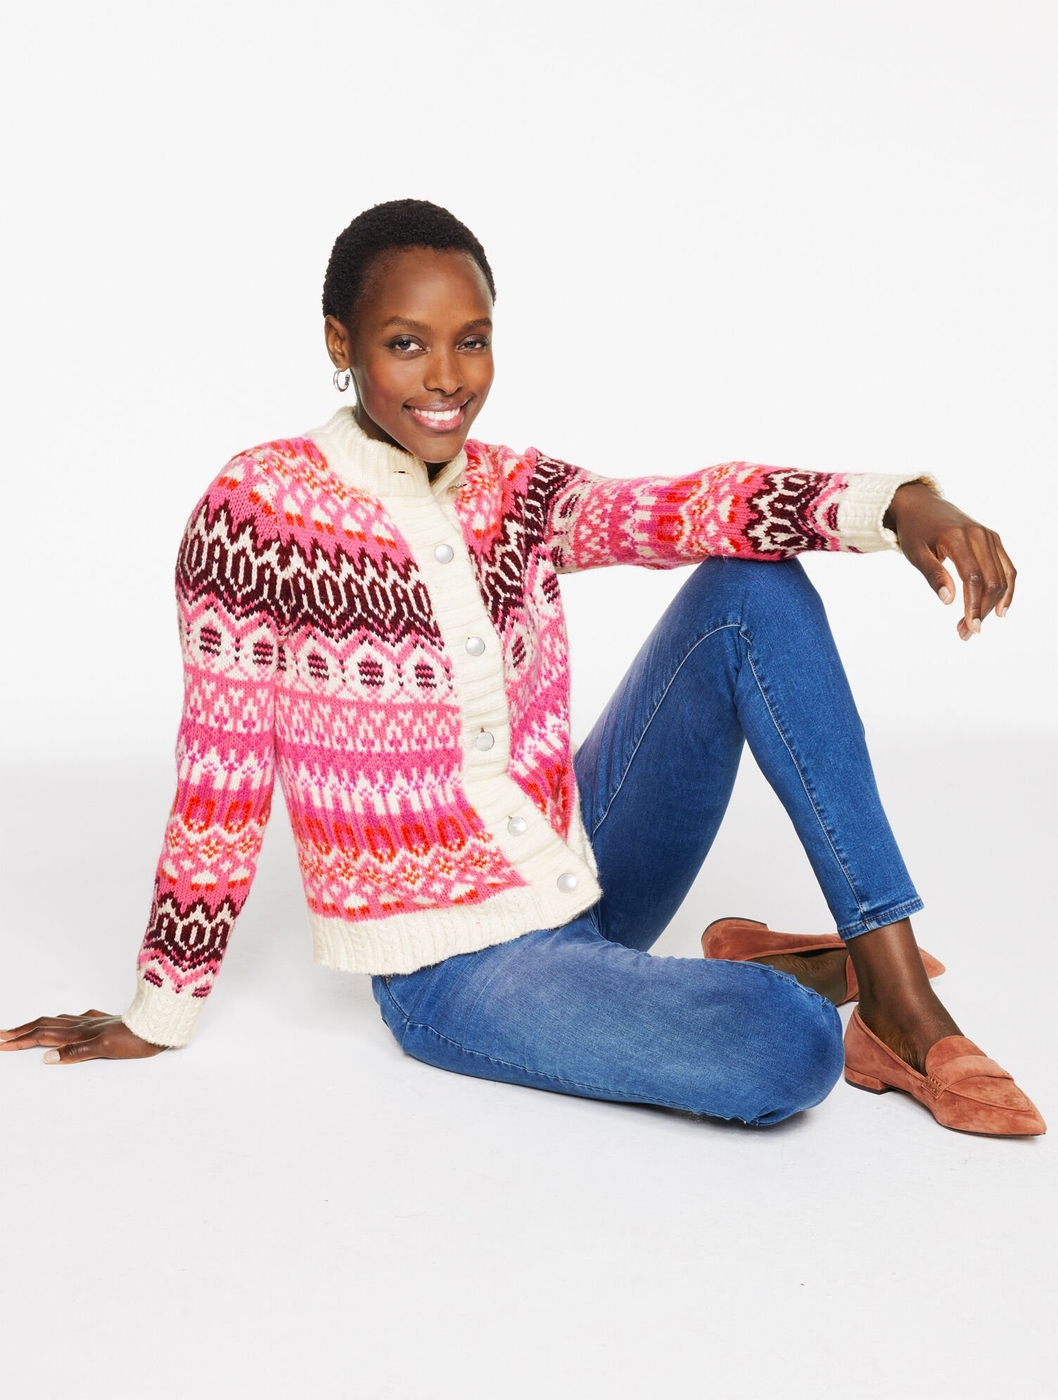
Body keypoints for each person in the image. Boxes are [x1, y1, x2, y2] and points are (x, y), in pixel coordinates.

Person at [0, 199, 1043, 1135]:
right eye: (405, 343)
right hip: (453, 972)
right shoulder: (257, 513)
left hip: (578, 864)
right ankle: (754, 982)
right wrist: (159, 1007)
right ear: (340, 343)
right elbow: (218, 780)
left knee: (750, 588)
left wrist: (895, 504)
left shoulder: (515, 489)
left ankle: (897, 994)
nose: (446, 377)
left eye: (472, 341)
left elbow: (681, 505)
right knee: (788, 1049)